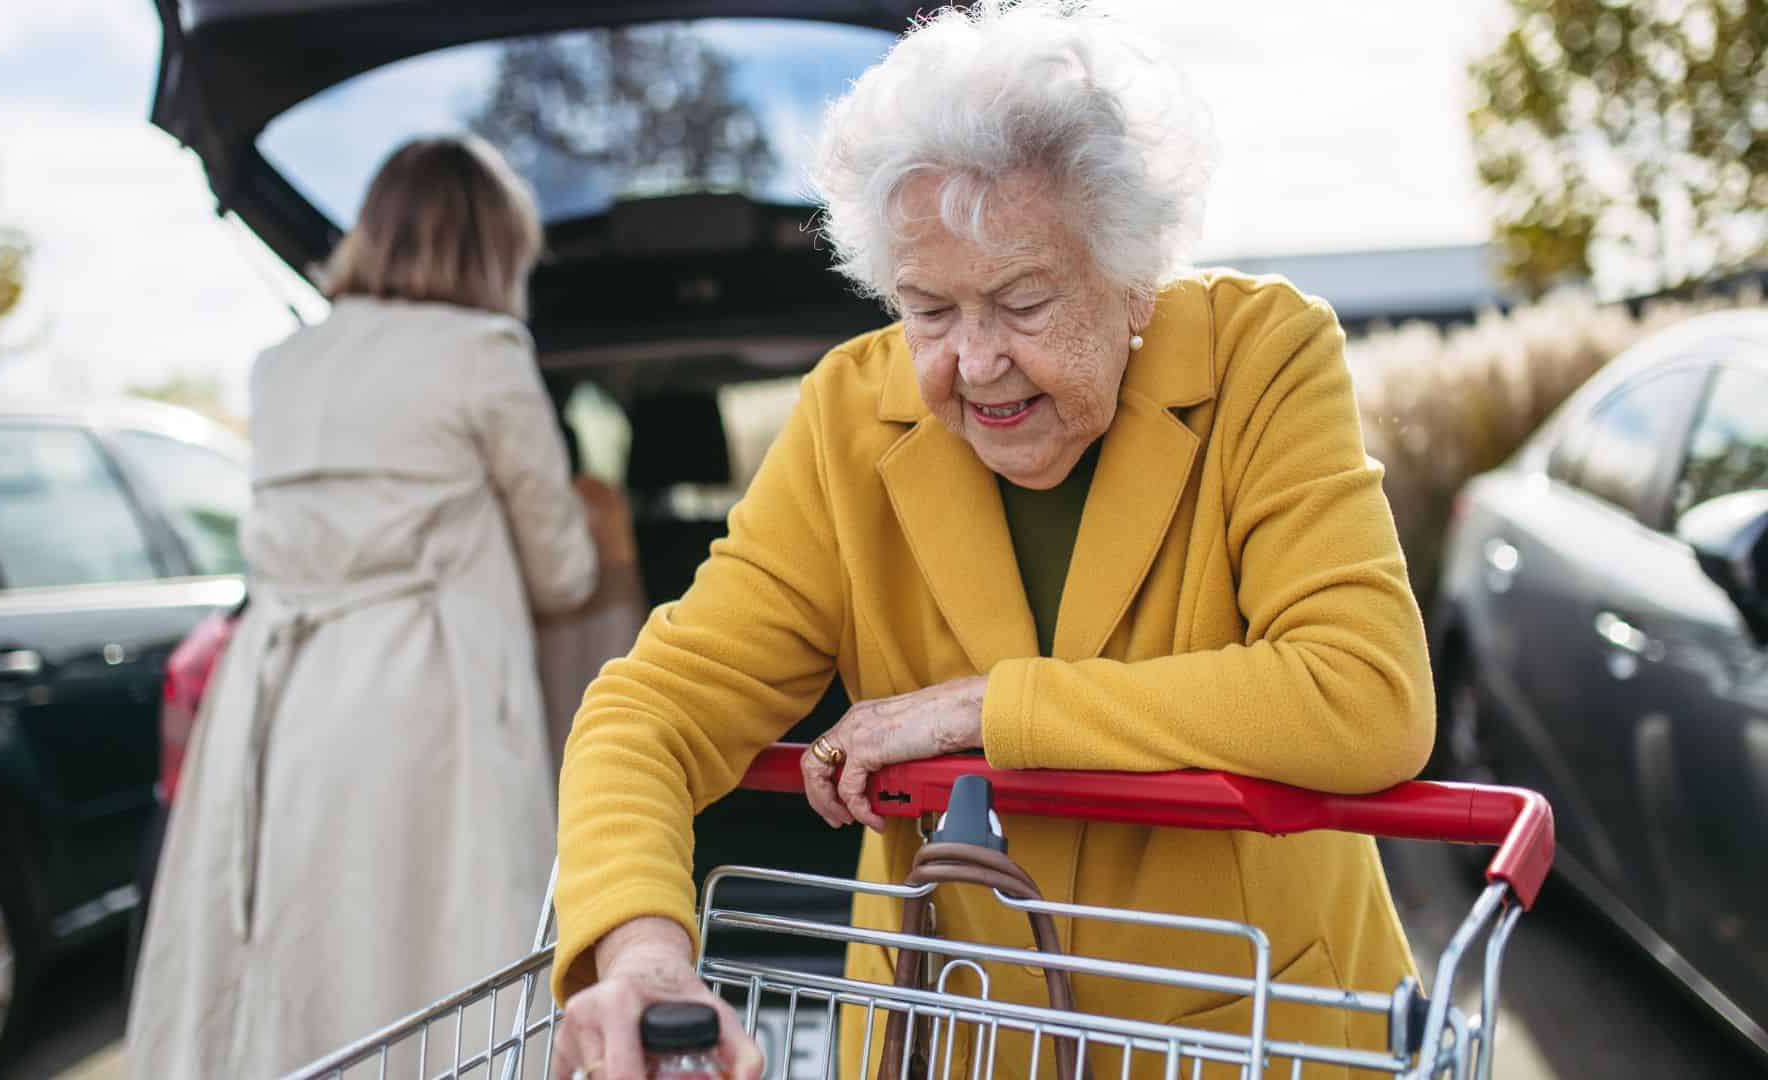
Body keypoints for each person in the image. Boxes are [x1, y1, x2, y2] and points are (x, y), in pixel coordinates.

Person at [549, 4, 1435, 1078]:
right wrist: (644, 955)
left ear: (1133, 273)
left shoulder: (1263, 359)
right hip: (946, 1040)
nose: (973, 363)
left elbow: (1364, 695)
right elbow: (649, 710)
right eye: (926, 310)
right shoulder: (848, 415)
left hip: (1244, 1038)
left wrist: (981, 709)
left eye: (1021, 301)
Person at [127, 136, 625, 1077]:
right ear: (494, 250)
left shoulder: (283, 365)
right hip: (424, 705)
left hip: (272, 707)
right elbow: (561, 572)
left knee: (287, 950)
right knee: (424, 948)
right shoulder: (485, 354)